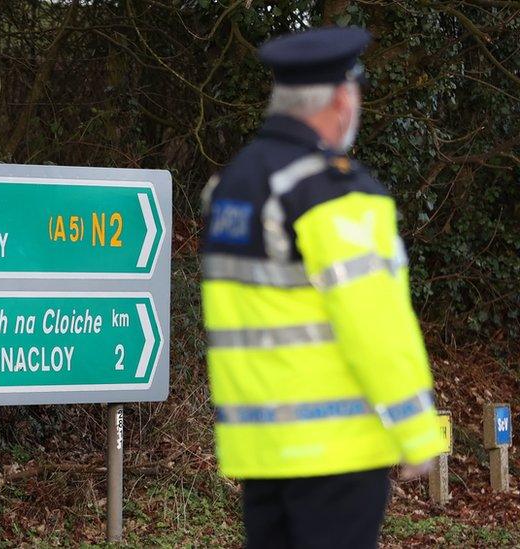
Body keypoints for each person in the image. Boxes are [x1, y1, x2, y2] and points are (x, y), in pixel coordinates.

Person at [199, 26, 445, 549]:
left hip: (261, 451)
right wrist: (417, 431)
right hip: (336, 451)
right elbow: (373, 324)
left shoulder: (230, 187)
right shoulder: (332, 191)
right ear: (341, 98)